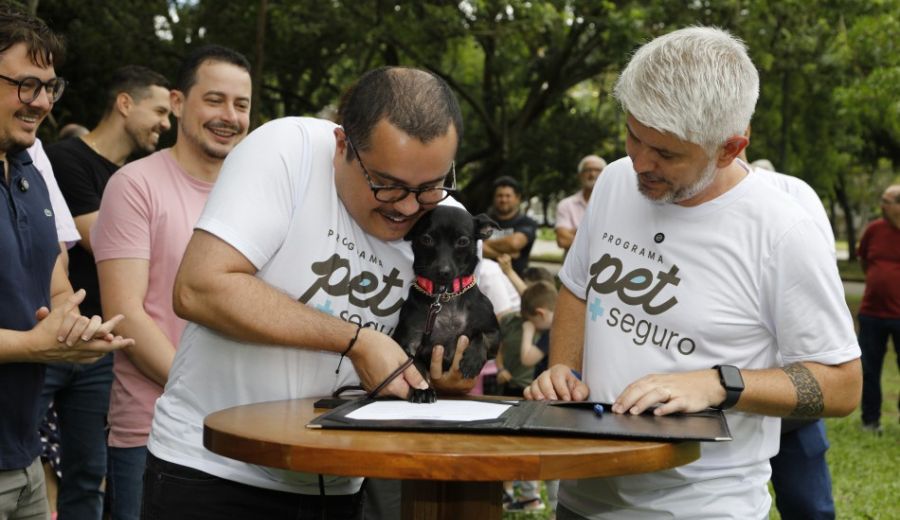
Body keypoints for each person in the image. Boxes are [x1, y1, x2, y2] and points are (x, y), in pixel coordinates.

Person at [524, 27, 861, 519]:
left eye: (666, 153)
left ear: (729, 148)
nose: (640, 162)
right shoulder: (616, 181)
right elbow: (577, 288)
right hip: (583, 492)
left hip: (698, 504)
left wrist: (720, 384)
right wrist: (564, 370)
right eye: (633, 135)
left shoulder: (783, 231)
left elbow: (842, 384)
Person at [144, 66, 471, 519]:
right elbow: (200, 287)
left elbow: (438, 349)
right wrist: (356, 340)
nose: (409, 207)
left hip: (337, 484)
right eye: (388, 185)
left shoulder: (447, 221)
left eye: (430, 186)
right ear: (342, 146)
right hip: (214, 470)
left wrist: (442, 376)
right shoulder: (286, 151)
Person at [91, 45, 252, 520]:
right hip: (155, 432)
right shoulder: (135, 184)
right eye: (215, 100)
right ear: (179, 103)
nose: (229, 116)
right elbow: (125, 313)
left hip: (247, 434)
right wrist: (210, 397)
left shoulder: (256, 193)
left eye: (241, 105)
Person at [0, 7, 131, 519]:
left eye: (51, 88)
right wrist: (36, 345)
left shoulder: (31, 165)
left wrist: (74, 327)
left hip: (24, 454)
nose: (41, 104)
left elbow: (55, 281)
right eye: (26, 85)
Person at [39, 64, 170, 520]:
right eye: (158, 109)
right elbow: (107, 243)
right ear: (124, 103)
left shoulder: (133, 176)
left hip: (101, 347)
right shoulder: (64, 160)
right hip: (47, 338)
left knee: (89, 474)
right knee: (19, 464)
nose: (166, 123)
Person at [741, 155, 838, 519]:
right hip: (718, 401)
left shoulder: (794, 194)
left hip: (788, 399)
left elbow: (818, 288)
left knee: (809, 507)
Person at [856, 184, 900, 434]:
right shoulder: (874, 230)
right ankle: (870, 421)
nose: (882, 206)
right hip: (872, 313)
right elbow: (864, 260)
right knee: (870, 370)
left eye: (888, 201)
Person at [482, 176, 539, 276]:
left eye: (508, 196)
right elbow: (473, 247)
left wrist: (485, 244)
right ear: (494, 198)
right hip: (484, 279)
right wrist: (504, 254)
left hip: (516, 282)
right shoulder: (483, 221)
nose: (503, 199)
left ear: (517, 198)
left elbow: (514, 243)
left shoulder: (527, 222)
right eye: (499, 195)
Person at [556, 155, 606, 252]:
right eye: (588, 170)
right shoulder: (566, 205)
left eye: (598, 170)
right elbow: (563, 240)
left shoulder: (615, 204)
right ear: (579, 175)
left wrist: (576, 232)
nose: (592, 174)